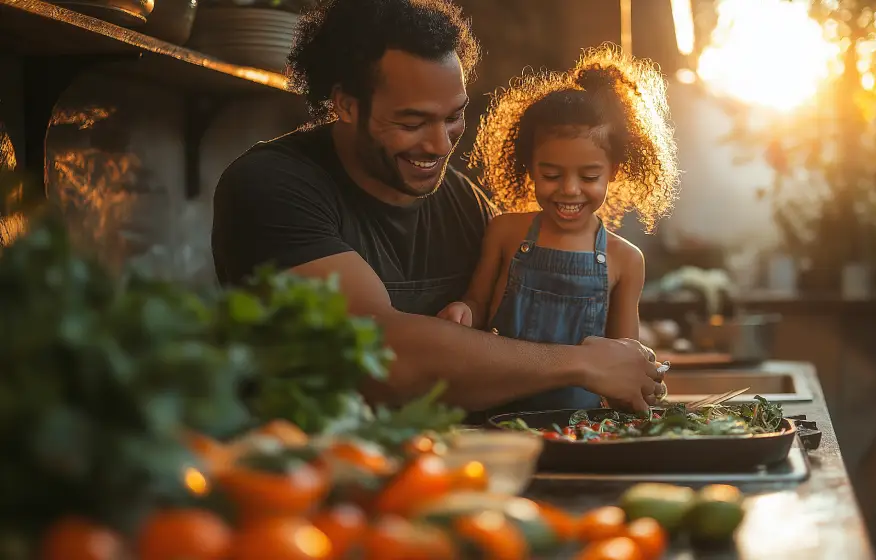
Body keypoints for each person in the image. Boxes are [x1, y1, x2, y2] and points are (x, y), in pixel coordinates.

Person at [210, 0, 664, 415]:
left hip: (448, 468)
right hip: (308, 471)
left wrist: (620, 360)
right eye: (412, 122)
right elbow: (379, 357)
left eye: (453, 116)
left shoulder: (464, 202)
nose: (439, 143)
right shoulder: (273, 187)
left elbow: (515, 334)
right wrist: (581, 364)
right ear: (346, 105)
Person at [437, 45, 678, 419]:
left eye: (589, 176)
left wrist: (643, 383)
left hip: (578, 429)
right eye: (551, 175)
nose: (569, 189)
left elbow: (624, 356)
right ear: (529, 166)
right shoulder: (505, 232)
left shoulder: (626, 260)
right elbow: (478, 306)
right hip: (497, 419)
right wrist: (461, 312)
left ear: (614, 169)